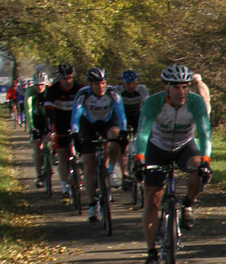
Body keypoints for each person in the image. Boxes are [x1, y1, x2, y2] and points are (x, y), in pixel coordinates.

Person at [134, 65, 212, 264]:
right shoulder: (154, 103)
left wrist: (206, 161)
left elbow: (205, 133)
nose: (182, 92)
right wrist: (139, 159)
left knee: (198, 170)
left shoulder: (195, 102)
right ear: (166, 88)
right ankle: (152, 252)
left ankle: (187, 205)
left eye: (185, 87)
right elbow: (143, 133)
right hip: (156, 147)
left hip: (184, 147)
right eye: (176, 87)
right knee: (152, 199)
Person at [70, 67, 126, 221]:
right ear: (90, 84)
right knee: (89, 167)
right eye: (96, 84)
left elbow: (121, 114)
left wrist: (124, 132)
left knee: (116, 135)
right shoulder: (83, 94)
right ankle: (92, 205)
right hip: (88, 125)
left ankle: (111, 170)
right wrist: (75, 134)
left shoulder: (112, 93)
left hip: (107, 123)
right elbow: (75, 116)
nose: (100, 86)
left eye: (103, 83)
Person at [42, 64, 81, 202]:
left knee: (85, 151)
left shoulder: (79, 89)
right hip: (60, 123)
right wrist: (49, 131)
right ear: (59, 79)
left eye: (69, 78)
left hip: (77, 121)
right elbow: (48, 114)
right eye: (64, 79)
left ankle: (83, 171)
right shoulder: (52, 91)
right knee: (62, 153)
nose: (67, 81)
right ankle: (65, 189)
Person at [118, 70, 148, 189]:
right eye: (128, 84)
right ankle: (124, 175)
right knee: (123, 146)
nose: (131, 87)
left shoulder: (141, 89)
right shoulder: (117, 90)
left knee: (143, 139)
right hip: (122, 117)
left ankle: (141, 162)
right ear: (122, 83)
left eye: (133, 83)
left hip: (136, 116)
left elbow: (147, 102)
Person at [26, 71, 49, 187]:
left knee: (50, 143)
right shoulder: (30, 91)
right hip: (36, 118)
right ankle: (39, 176)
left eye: (42, 85)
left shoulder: (50, 91)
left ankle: (51, 159)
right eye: (37, 85)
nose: (39, 87)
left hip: (48, 117)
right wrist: (31, 127)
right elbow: (28, 109)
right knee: (37, 147)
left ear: (46, 84)